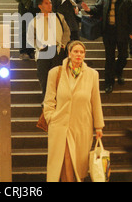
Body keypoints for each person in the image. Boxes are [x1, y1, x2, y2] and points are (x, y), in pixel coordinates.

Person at [43, 41, 105, 182]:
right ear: (69, 53)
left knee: (79, 164)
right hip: (60, 124)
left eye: (81, 52)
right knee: (66, 161)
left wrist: (99, 126)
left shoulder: (92, 75)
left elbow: (96, 100)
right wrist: (50, 117)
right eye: (75, 51)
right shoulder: (56, 73)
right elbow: (49, 99)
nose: (79, 55)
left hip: (82, 125)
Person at [82, 0, 132, 94]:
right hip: (108, 33)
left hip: (122, 33)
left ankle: (118, 72)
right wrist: (89, 10)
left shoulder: (128, 1)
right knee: (109, 58)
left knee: (123, 56)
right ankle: (109, 83)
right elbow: (97, 9)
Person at [27, 0, 70, 98]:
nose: (49, 5)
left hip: (57, 49)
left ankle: (57, 99)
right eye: (46, 3)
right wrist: (38, 46)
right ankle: (46, 99)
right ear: (40, 6)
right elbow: (29, 37)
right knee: (43, 76)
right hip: (43, 50)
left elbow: (67, 31)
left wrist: (63, 44)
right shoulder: (34, 21)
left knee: (57, 76)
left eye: (50, 3)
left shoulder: (59, 17)